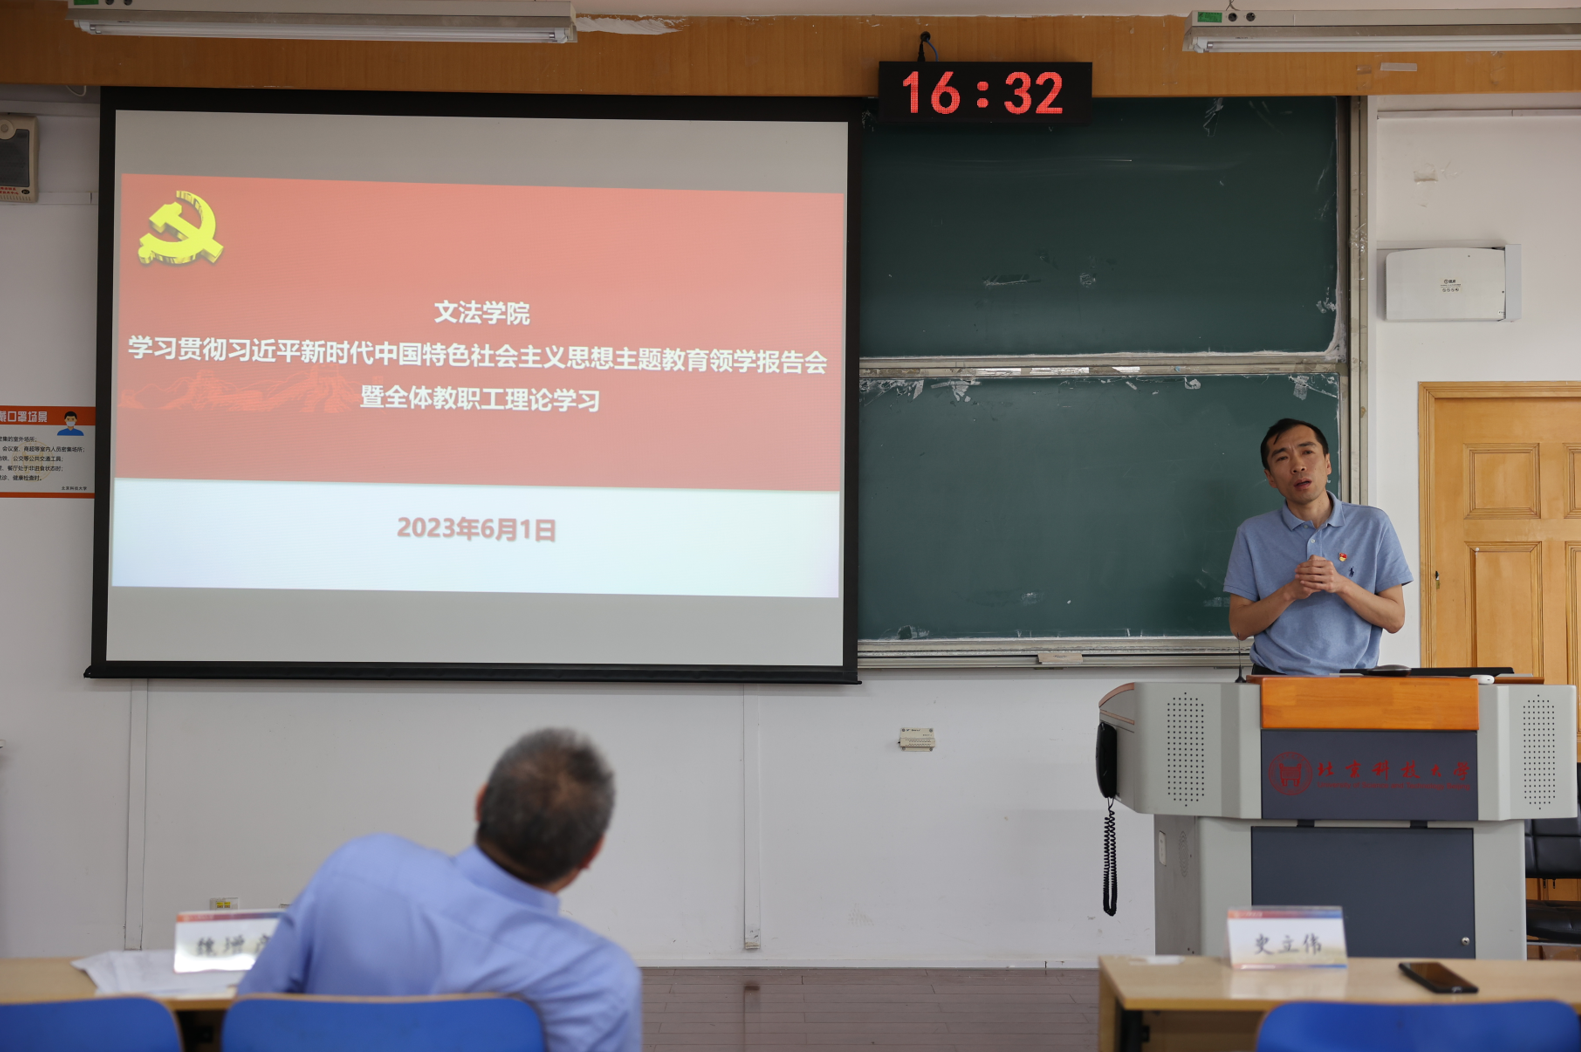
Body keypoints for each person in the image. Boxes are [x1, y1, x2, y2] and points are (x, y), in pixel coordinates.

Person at [240, 729, 640, 1052]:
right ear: (591, 853)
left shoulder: (355, 870)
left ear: (480, 802)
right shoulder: (597, 983)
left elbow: (251, 1017)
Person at [1224, 418, 1411, 676]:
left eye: (1307, 452)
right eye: (1282, 458)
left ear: (1328, 463)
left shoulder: (1373, 524)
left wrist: (1341, 584)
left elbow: (1395, 619)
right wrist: (1290, 592)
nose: (1298, 466)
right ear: (1270, 478)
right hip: (1275, 680)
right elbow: (1239, 627)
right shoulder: (1252, 533)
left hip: (1354, 682)